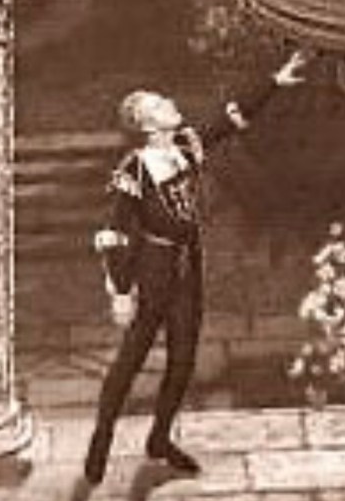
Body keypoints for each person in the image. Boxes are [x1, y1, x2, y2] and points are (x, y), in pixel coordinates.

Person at [82, 50, 308, 486]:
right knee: (131, 360)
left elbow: (232, 119)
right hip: (153, 269)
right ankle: (101, 440)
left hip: (189, 267)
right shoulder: (134, 169)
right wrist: (122, 292)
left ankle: (159, 439)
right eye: (159, 104)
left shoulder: (186, 145)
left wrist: (276, 81)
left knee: (183, 360)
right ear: (148, 125)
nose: (170, 102)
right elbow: (113, 232)